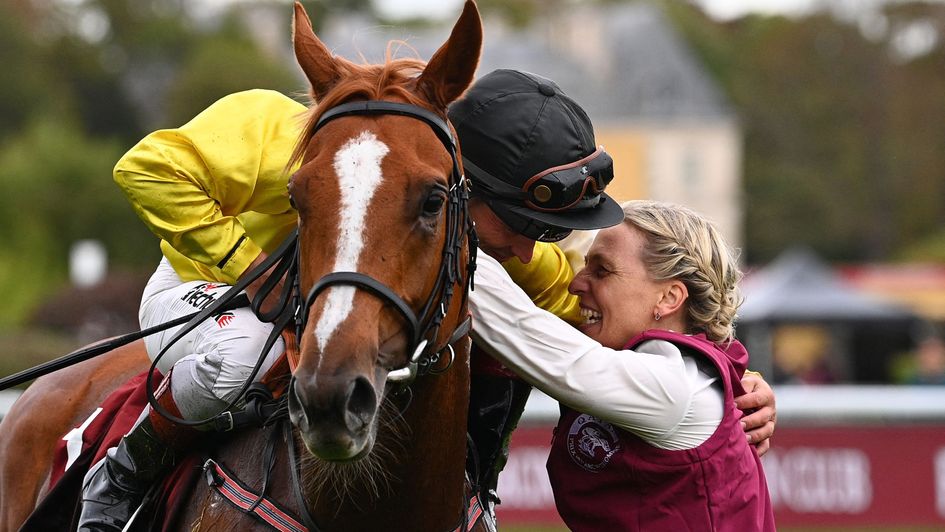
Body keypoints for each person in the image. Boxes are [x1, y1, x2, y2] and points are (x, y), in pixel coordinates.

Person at [79, 69, 777, 529]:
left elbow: (599, 323)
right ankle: (124, 471)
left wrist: (725, 376)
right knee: (237, 354)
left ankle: (476, 491)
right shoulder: (275, 130)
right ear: (464, 195)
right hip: (208, 286)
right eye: (528, 226)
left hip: (307, 301)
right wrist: (254, 268)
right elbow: (145, 168)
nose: (531, 248)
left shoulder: (511, 252)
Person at [468, 199, 776, 530]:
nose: (576, 283)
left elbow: (527, 334)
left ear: (669, 298)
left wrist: (451, 239)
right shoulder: (668, 370)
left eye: (602, 271)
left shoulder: (678, 387)